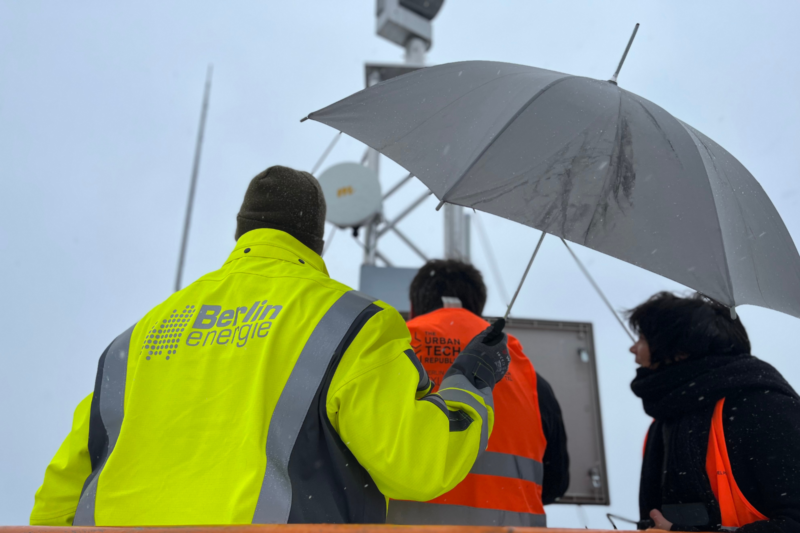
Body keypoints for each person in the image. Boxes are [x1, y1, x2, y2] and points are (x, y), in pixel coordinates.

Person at [30, 166, 510, 526]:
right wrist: (468, 383)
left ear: (242, 232)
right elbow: (416, 462)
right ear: (316, 243)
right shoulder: (353, 323)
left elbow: (61, 493)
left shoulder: (136, 338)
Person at [387, 259, 569, 527]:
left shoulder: (390, 357)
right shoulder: (531, 381)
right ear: (478, 308)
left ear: (413, 308)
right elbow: (554, 484)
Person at [629, 292, 800, 533]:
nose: (632, 348)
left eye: (643, 338)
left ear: (680, 351)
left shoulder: (765, 408)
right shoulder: (666, 419)